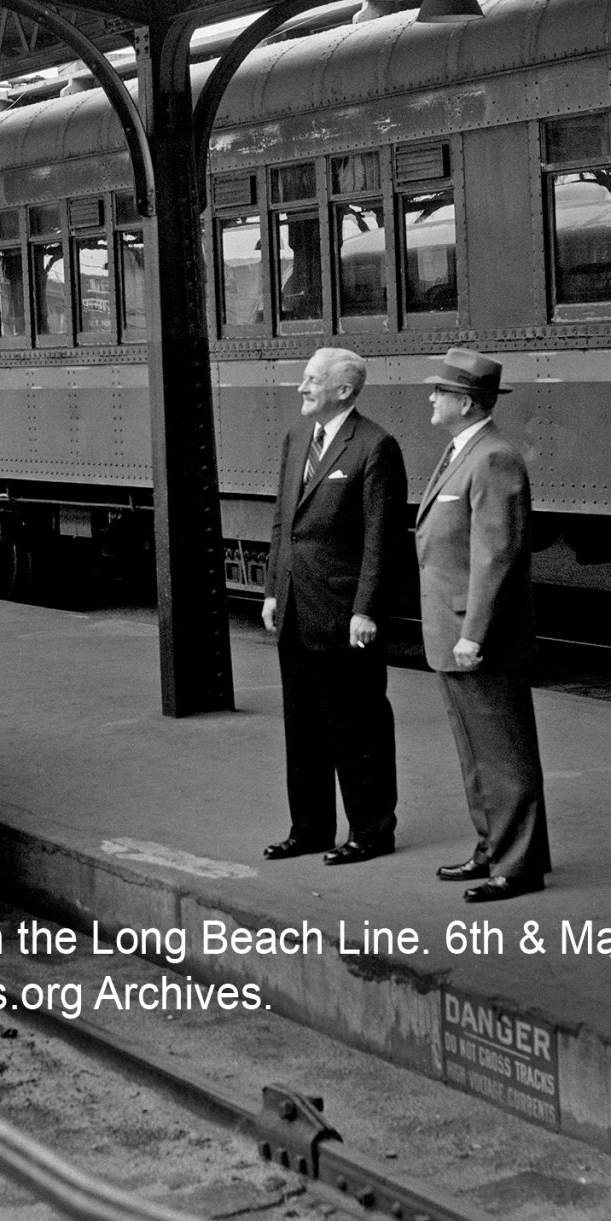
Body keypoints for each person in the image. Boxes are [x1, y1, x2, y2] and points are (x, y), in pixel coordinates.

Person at [414, 349, 551, 903]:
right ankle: (491, 846)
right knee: (475, 750)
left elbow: (496, 554)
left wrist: (475, 631)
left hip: (475, 633)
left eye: (440, 391)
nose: (431, 397)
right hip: (452, 630)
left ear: (465, 402)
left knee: (504, 752)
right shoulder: (462, 452)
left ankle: (518, 864)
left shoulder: (493, 459)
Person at [261, 347, 406, 867]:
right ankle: (311, 828)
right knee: (302, 729)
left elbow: (380, 539)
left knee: (358, 726)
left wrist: (365, 609)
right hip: (297, 607)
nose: (301, 388)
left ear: (343, 390)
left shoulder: (374, 446)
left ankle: (371, 831)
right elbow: (284, 522)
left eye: (311, 380)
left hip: (345, 615)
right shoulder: (297, 438)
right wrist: (274, 591)